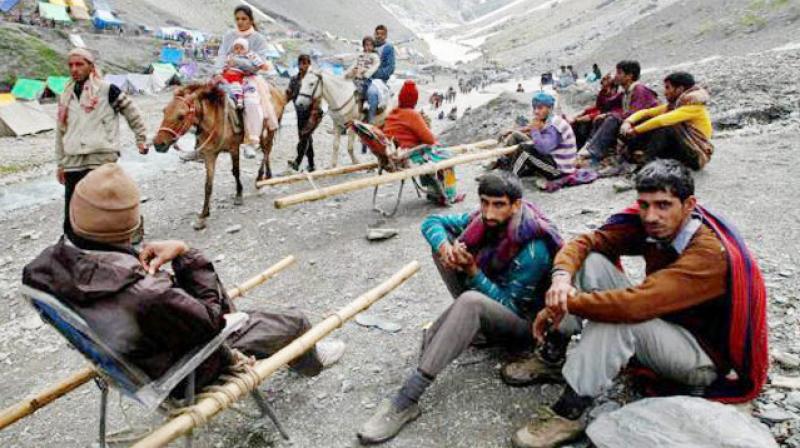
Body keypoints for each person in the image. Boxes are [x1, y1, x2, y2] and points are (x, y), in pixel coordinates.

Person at [506, 159, 768, 447]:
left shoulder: (708, 254)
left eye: (663, 205)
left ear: (689, 204)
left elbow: (635, 306)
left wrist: (565, 304)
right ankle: (553, 355)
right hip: (661, 321)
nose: (651, 216)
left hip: (698, 355)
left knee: (619, 323)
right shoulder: (653, 227)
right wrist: (559, 280)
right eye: (644, 205)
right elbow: (587, 242)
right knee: (590, 261)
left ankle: (569, 412)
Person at [23, 164, 347, 397]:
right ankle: (309, 360)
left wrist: (129, 259)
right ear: (132, 223)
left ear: (75, 214)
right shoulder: (147, 292)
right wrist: (185, 253)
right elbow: (213, 323)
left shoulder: (39, 270)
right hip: (184, 371)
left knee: (229, 310)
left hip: (126, 363)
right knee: (294, 320)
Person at [357, 171, 563, 445]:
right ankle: (466, 327)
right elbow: (432, 222)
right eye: (484, 203)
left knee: (471, 302)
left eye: (498, 205)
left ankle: (406, 400)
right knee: (445, 249)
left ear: (515, 205)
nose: (489, 212)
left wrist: (473, 271)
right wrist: (446, 249)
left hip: (525, 328)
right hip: (493, 301)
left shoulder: (533, 246)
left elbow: (512, 307)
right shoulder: (482, 221)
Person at [56, 48, 148, 239]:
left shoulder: (108, 91)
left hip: (101, 157)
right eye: (71, 65)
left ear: (91, 66)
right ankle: (73, 243)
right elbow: (60, 131)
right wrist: (60, 163)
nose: (74, 69)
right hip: (73, 160)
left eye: (79, 64)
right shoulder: (65, 96)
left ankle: (129, 228)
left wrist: (140, 138)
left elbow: (132, 112)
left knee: (108, 202)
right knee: (72, 206)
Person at [216, 5, 279, 159]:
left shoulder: (258, 39)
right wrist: (218, 72)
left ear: (251, 20)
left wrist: (236, 61)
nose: (240, 22)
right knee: (207, 96)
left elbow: (256, 65)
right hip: (227, 74)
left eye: (244, 19)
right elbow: (221, 55)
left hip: (249, 77)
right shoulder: (228, 36)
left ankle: (252, 142)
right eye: (237, 19)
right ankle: (202, 140)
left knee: (251, 103)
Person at [619, 72, 713, 170]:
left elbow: (662, 121)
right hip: (681, 148)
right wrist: (628, 122)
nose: (665, 92)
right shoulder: (675, 106)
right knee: (646, 120)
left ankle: (644, 166)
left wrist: (635, 131)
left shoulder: (694, 107)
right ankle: (628, 156)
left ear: (680, 89)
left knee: (668, 127)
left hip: (697, 154)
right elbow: (647, 113)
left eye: (668, 88)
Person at [580, 60, 658, 164]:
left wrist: (608, 114)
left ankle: (594, 152)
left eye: (619, 73)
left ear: (629, 76)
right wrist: (605, 88)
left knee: (612, 118)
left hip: (646, 130)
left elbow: (635, 113)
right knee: (600, 119)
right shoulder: (625, 92)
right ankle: (592, 149)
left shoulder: (639, 90)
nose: (616, 76)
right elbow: (604, 106)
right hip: (631, 126)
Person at [497, 92, 577, 181]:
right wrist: (515, 131)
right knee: (516, 136)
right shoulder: (548, 119)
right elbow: (534, 130)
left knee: (524, 150)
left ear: (550, 108)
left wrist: (535, 130)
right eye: (534, 108)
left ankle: (512, 176)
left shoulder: (554, 125)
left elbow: (543, 149)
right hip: (552, 160)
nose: (536, 111)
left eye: (540, 108)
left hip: (558, 170)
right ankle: (505, 164)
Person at [286, 54, 323, 172]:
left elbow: (318, 95)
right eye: (300, 63)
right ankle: (311, 165)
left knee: (305, 137)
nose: (302, 66)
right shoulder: (294, 79)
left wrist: (315, 111)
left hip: (313, 112)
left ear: (309, 65)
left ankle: (297, 162)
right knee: (306, 138)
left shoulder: (313, 78)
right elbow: (289, 94)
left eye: (305, 64)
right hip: (299, 113)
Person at [569, 73, 621, 149]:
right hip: (600, 112)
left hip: (607, 115)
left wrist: (588, 116)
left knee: (584, 124)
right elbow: (598, 106)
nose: (603, 80)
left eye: (606, 79)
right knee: (577, 121)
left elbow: (609, 109)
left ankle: (588, 144)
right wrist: (584, 112)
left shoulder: (616, 94)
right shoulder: (603, 92)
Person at [220, 38, 269, 110]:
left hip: (242, 76)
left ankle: (238, 101)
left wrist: (261, 65)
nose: (238, 50)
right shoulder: (231, 56)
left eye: (241, 48)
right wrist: (225, 68)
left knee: (239, 88)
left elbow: (254, 67)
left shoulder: (250, 56)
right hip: (228, 75)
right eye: (236, 48)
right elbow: (225, 65)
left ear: (246, 49)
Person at [345, 36, 381, 120]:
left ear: (373, 46)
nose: (367, 47)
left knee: (359, 95)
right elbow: (353, 65)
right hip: (355, 78)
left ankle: (359, 114)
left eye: (370, 45)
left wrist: (366, 73)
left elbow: (375, 66)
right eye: (366, 45)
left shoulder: (374, 56)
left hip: (365, 80)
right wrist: (349, 72)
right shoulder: (360, 55)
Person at [366, 24, 396, 124]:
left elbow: (390, 68)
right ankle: (343, 122)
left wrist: (373, 73)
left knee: (372, 93)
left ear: (386, 36)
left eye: (382, 34)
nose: (379, 36)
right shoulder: (369, 45)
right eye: (377, 33)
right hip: (364, 77)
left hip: (379, 81)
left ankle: (370, 124)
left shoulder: (388, 48)